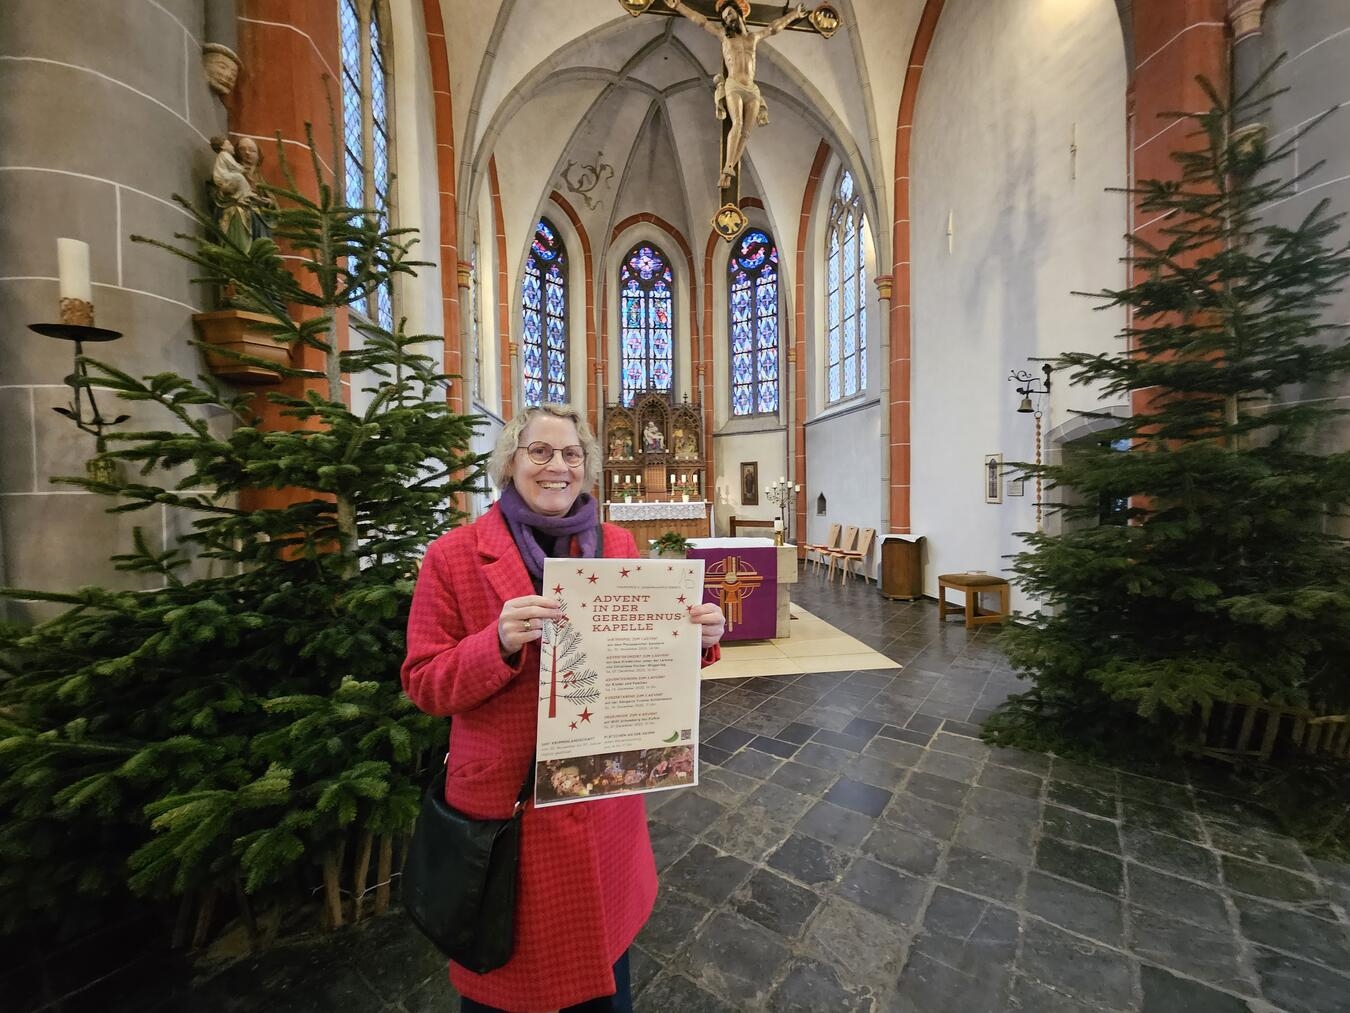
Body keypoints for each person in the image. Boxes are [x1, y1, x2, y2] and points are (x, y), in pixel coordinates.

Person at [402, 403, 726, 1013]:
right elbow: (423, 682)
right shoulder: (454, 555)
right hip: (508, 811)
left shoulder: (619, 544)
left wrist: (697, 638)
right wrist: (494, 643)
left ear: (588, 466)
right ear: (510, 462)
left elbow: (645, 657)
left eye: (572, 454)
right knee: (508, 979)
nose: (558, 466)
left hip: (600, 803)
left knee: (602, 983)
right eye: (540, 452)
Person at [664, 0, 808, 187]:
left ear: (739, 13)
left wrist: (794, 15)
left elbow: (774, 28)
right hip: (734, 85)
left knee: (746, 132)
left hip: (752, 89)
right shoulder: (724, 37)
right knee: (737, 123)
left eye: (730, 13)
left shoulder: (753, 38)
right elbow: (701, 21)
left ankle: (730, 169)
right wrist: (678, 7)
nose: (728, 18)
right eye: (724, 17)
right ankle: (727, 167)